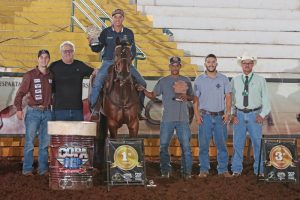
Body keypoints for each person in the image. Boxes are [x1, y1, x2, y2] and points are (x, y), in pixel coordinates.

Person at [137, 56, 193, 179]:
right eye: (172, 65)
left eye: (177, 65)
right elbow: (152, 95)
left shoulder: (186, 80)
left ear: (180, 66)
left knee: (186, 147)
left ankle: (187, 173)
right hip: (167, 118)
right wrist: (143, 90)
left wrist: (186, 97)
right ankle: (165, 172)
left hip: (183, 119)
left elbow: (192, 97)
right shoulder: (163, 81)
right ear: (169, 66)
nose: (174, 67)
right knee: (163, 146)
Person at [88, 8, 147, 119]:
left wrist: (128, 62)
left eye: (120, 17)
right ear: (112, 18)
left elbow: (133, 50)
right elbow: (98, 48)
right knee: (97, 82)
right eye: (115, 17)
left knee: (142, 83)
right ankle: (94, 109)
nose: (117, 19)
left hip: (125, 62)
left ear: (123, 18)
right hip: (108, 62)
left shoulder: (129, 33)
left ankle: (139, 111)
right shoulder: (106, 32)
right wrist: (91, 43)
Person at [231, 53, 271, 177]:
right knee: (237, 143)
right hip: (239, 115)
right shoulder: (235, 80)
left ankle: (259, 170)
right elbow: (231, 100)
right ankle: (236, 169)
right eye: (244, 63)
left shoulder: (260, 80)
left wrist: (262, 114)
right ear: (241, 65)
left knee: (257, 143)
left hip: (255, 115)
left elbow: (266, 100)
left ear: (252, 64)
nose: (247, 65)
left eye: (249, 63)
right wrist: (233, 114)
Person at [14, 50, 52, 176]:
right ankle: (27, 169)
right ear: (38, 59)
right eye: (41, 57)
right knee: (29, 142)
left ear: (49, 59)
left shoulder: (51, 76)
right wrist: (19, 109)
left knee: (44, 143)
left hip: (47, 112)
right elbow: (20, 94)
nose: (44, 60)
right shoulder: (30, 75)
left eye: (46, 57)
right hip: (33, 112)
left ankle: (43, 169)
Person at [193, 54, 232, 178]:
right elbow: (195, 99)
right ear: (205, 64)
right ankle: (204, 170)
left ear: (216, 64)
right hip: (205, 117)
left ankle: (223, 170)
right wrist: (197, 115)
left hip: (220, 117)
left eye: (213, 62)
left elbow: (229, 97)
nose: (211, 64)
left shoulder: (223, 79)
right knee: (204, 145)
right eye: (208, 62)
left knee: (222, 145)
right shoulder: (199, 79)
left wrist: (228, 113)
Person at [49, 41, 94, 121]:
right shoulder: (54, 66)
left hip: (77, 110)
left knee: (78, 134)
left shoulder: (80, 65)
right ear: (61, 52)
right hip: (59, 110)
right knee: (58, 133)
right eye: (65, 51)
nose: (68, 53)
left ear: (74, 52)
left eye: (70, 51)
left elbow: (94, 72)